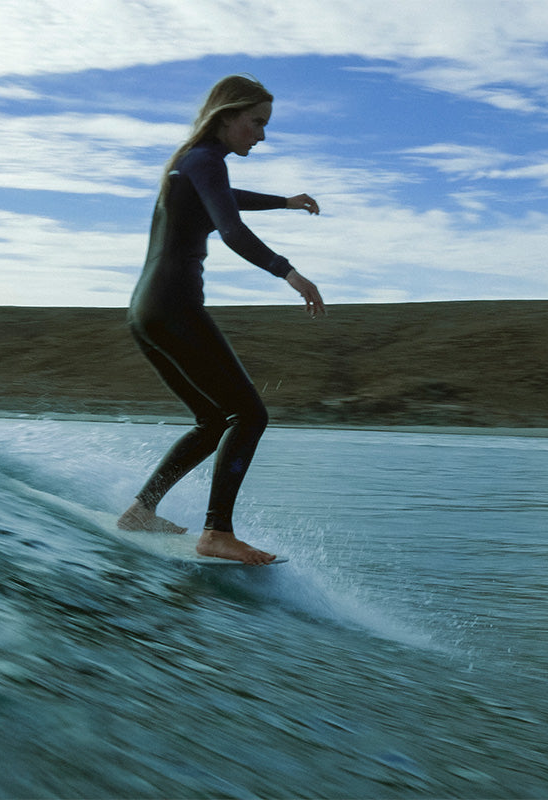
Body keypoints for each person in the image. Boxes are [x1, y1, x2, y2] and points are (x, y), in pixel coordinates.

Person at [117, 75, 325, 565]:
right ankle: (217, 533)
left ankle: (142, 510)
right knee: (250, 415)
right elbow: (230, 226)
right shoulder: (205, 160)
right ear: (227, 116)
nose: (262, 135)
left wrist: (284, 201)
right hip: (174, 308)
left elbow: (226, 199)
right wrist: (291, 274)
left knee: (213, 420)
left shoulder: (194, 163)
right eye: (256, 123)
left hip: (146, 311)